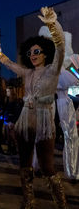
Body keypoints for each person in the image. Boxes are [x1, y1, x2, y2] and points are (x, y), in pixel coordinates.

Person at [0, 7, 67, 208]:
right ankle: (28, 202)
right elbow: (9, 64)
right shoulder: (27, 73)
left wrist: (52, 24)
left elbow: (60, 47)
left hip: (44, 121)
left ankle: (61, 204)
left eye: (37, 51)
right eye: (30, 52)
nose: (33, 54)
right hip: (25, 121)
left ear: (45, 54)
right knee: (24, 164)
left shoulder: (53, 70)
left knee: (47, 167)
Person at [38, 26, 79, 182]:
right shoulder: (42, 61)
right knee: (43, 134)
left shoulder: (68, 60)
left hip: (63, 99)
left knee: (70, 135)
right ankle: (41, 166)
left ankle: (72, 171)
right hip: (47, 100)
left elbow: (75, 77)